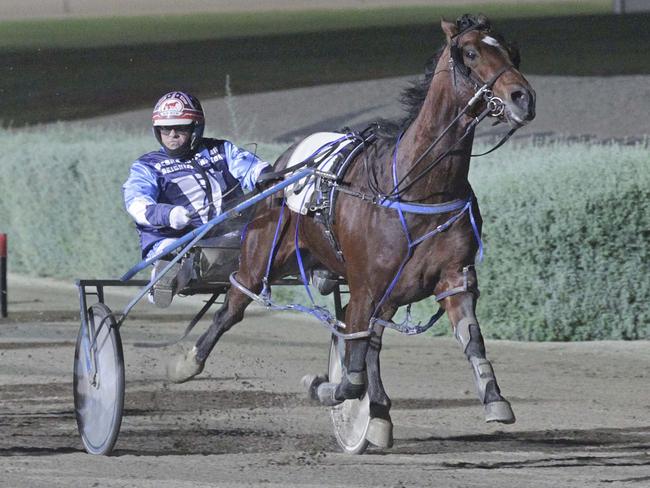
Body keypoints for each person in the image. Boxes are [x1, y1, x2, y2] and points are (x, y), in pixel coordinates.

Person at [123, 91, 271, 307]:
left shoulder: (221, 150)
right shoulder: (147, 165)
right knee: (174, 254)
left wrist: (265, 174)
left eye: (180, 128)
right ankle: (165, 279)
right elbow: (136, 203)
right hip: (179, 240)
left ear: (195, 128)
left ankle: (314, 264)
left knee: (271, 229)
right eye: (165, 128)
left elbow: (251, 168)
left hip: (227, 236)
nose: (172, 134)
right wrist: (169, 214)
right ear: (158, 131)